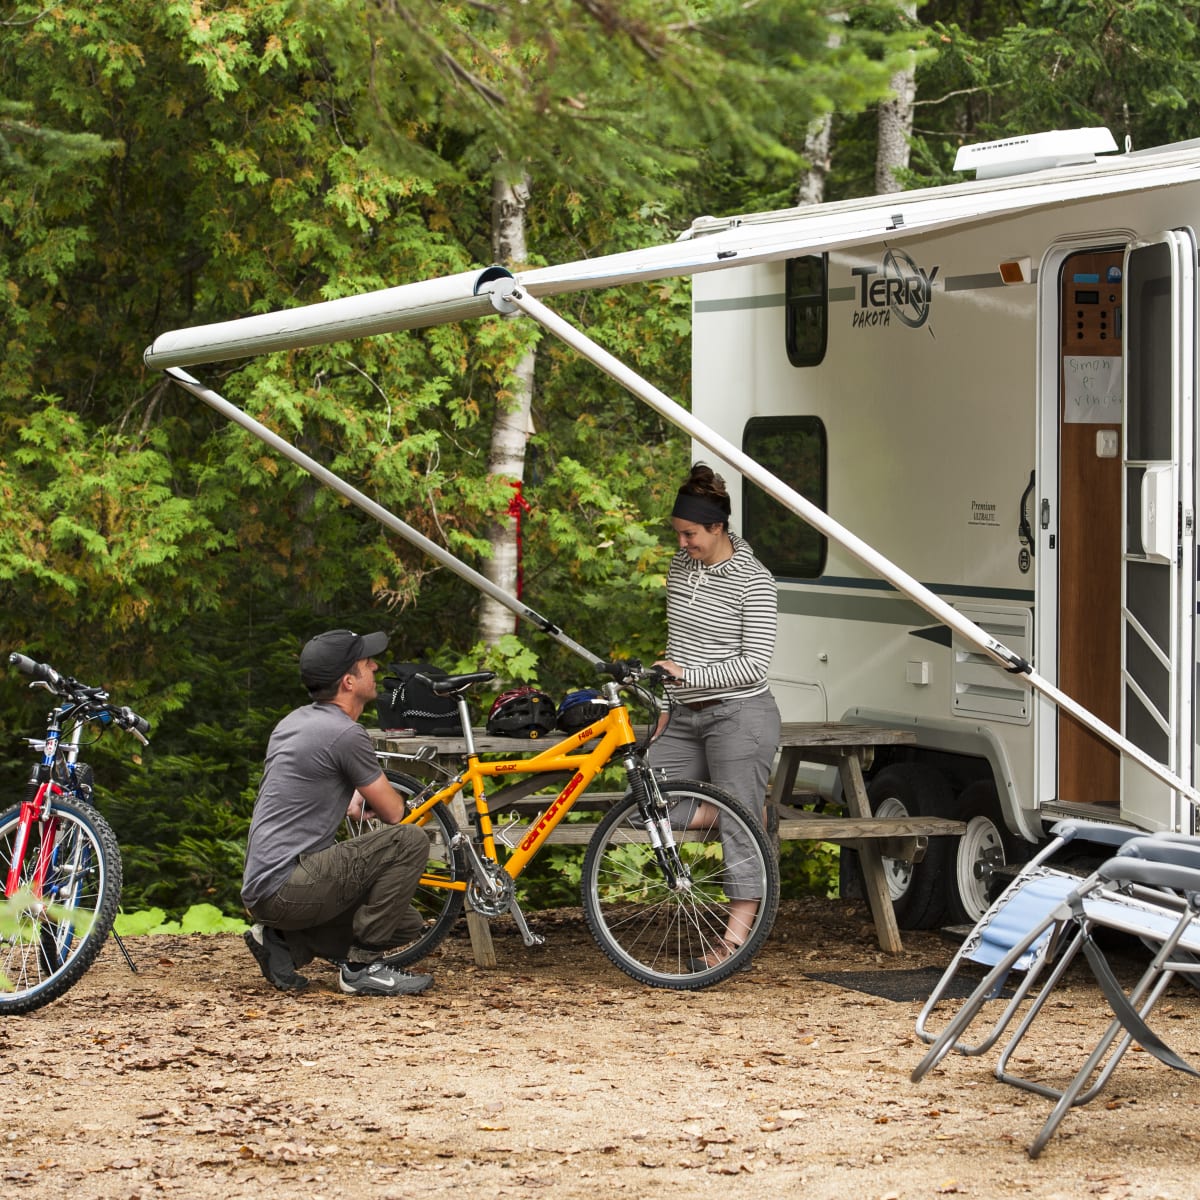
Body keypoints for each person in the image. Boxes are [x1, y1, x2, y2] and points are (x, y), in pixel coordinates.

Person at [241, 628, 434, 997]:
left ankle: (283, 942)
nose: (376, 667)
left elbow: (305, 786)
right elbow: (395, 813)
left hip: (264, 885)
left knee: (404, 923)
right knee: (409, 840)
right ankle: (361, 969)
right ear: (348, 681)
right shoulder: (346, 733)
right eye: (367, 664)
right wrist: (388, 801)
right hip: (288, 884)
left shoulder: (296, 721)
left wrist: (354, 799)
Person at [652, 463, 781, 968]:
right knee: (645, 800)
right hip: (684, 715)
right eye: (678, 534)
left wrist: (689, 677)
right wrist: (666, 707)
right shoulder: (680, 569)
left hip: (741, 713)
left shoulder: (755, 580)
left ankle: (732, 941)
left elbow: (755, 663)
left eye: (690, 534)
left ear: (717, 528)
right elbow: (675, 647)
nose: (682, 543)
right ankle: (745, 814)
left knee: (736, 828)